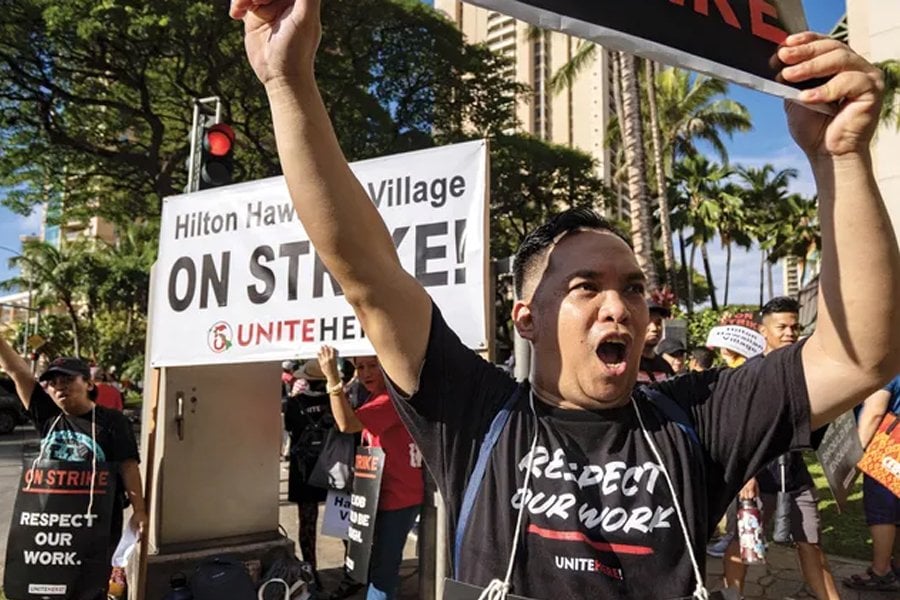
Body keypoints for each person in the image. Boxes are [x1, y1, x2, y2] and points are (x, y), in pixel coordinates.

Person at [230, 2, 899, 596]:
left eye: (634, 287)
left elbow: (863, 356)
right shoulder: (475, 416)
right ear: (527, 319)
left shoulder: (700, 419)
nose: (622, 307)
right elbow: (368, 274)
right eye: (587, 287)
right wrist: (288, 84)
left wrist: (841, 156)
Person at [0, 339, 147, 590]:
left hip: (97, 521)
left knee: (89, 584)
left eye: (67, 380)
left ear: (89, 383)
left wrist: (140, 511)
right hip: (51, 521)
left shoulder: (112, 422)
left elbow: (128, 467)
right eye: (53, 383)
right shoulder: (47, 415)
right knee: (47, 583)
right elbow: (17, 371)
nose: (59, 388)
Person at [722, 297, 839, 599]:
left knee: (810, 542)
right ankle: (733, 594)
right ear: (763, 331)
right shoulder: (750, 374)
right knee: (743, 539)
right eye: (782, 327)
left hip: (796, 475)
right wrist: (746, 476)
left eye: (795, 327)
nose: (790, 332)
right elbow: (735, 429)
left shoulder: (805, 371)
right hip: (758, 477)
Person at [317, 345, 423, 600]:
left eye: (372, 365)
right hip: (381, 496)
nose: (365, 373)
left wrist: (333, 379)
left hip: (397, 498)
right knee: (377, 567)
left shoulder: (389, 399)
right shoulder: (378, 397)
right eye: (360, 366)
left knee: (382, 573)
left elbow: (346, 423)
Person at [843, 374, 900, 591]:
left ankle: (880, 572)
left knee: (882, 512)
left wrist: (855, 452)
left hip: (890, 445)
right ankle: (896, 565)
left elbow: (874, 413)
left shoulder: (890, 368)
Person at [283, 359, 333, 588]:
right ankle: (353, 570)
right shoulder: (335, 402)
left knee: (307, 523)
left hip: (304, 471)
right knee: (343, 521)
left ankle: (311, 571)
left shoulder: (294, 404)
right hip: (334, 468)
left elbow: (291, 429)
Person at [636, 302, 675, 383]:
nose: (654, 328)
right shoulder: (625, 364)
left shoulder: (665, 367)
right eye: (647, 322)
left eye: (658, 323)